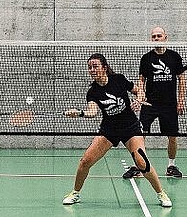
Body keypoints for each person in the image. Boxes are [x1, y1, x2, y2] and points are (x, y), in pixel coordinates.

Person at [62, 53, 172, 208]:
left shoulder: (118, 80)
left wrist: (139, 100)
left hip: (130, 128)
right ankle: (75, 193)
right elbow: (92, 112)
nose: (92, 70)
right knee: (85, 161)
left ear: (104, 68)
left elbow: (139, 91)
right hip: (109, 130)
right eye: (89, 67)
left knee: (142, 163)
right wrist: (80, 113)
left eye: (95, 66)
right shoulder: (93, 92)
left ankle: (161, 193)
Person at [122, 26, 187, 179]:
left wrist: (181, 100)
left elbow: (181, 79)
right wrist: (141, 96)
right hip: (150, 104)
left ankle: (171, 166)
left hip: (169, 105)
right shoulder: (146, 58)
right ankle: (138, 166)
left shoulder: (174, 57)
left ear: (166, 37)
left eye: (159, 36)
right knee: (139, 135)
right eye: (154, 36)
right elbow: (141, 80)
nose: (156, 38)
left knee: (172, 136)